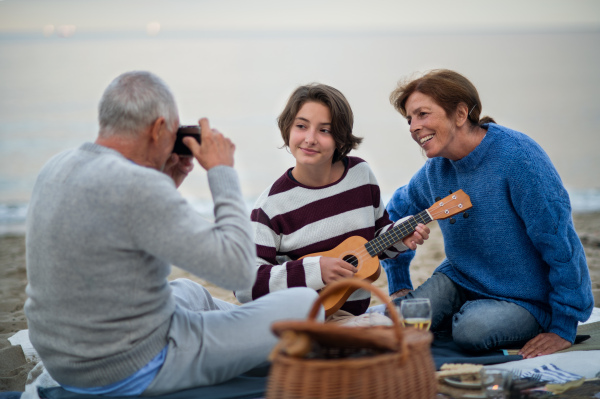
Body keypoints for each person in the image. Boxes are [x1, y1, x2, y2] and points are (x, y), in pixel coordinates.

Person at [24, 71, 320, 396]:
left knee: (190, 292)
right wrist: (222, 171)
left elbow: (136, 229)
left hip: (66, 360)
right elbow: (237, 270)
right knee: (308, 305)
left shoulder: (56, 167)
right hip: (134, 365)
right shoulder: (138, 186)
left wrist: (166, 181)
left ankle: (244, 330)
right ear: (158, 129)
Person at [382, 69, 594, 357]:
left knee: (471, 331)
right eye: (409, 119)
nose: (413, 127)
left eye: (422, 114)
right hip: (460, 279)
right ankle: (454, 316)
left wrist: (563, 326)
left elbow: (560, 242)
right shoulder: (436, 170)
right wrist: (398, 284)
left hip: (527, 298)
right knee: (394, 321)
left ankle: (463, 319)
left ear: (459, 114)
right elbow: (396, 211)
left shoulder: (518, 158)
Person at [235, 83, 430, 317]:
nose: (310, 139)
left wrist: (400, 236)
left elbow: (374, 244)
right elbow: (244, 286)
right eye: (301, 126)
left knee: (411, 321)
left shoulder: (360, 175)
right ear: (287, 128)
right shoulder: (271, 206)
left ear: (340, 137)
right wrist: (315, 270)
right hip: (300, 320)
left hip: (353, 316)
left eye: (324, 130)